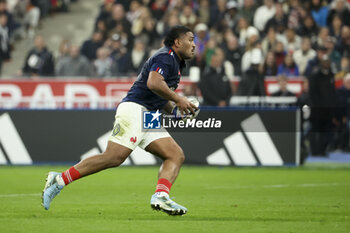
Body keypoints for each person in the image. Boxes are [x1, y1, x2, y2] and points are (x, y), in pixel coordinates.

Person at [42, 25, 198, 216]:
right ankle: (59, 180)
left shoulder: (176, 62)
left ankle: (161, 196)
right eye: (190, 40)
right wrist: (179, 99)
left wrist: (175, 110)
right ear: (177, 42)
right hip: (135, 109)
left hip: (148, 115)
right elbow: (154, 83)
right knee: (113, 157)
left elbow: (159, 93)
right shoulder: (165, 57)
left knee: (175, 154)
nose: (194, 45)